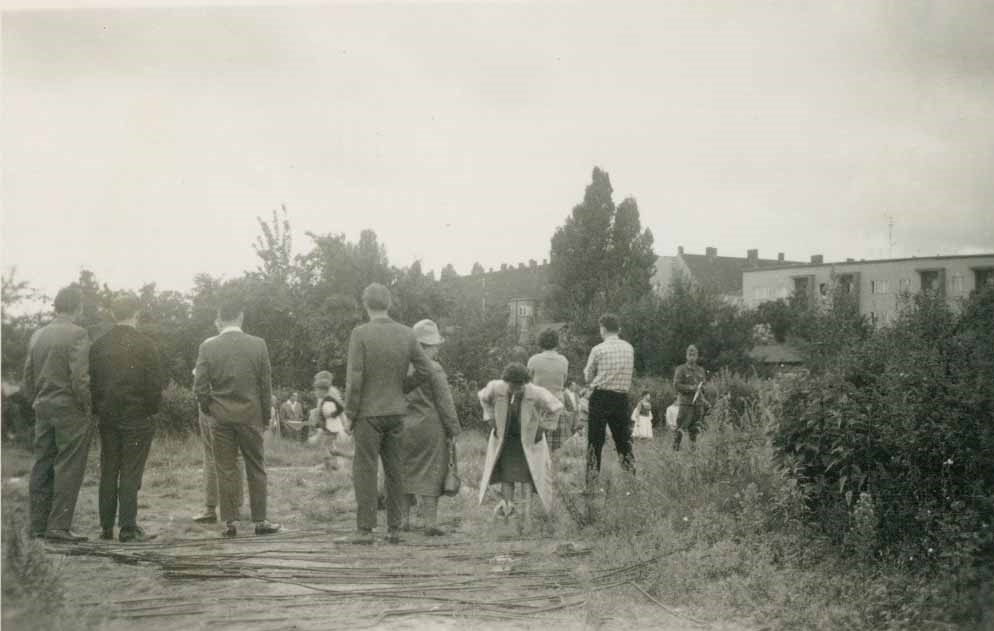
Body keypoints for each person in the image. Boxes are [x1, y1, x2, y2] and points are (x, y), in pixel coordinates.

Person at [342, 283, 433, 544]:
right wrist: (401, 388)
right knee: (395, 470)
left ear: (365, 304)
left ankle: (365, 529)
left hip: (368, 413)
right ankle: (394, 528)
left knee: (366, 468)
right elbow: (425, 370)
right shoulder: (406, 334)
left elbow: (355, 379)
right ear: (389, 304)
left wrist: (350, 412)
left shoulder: (360, 334)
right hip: (396, 411)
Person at [193, 297, 280, 538]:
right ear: (241, 316)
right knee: (256, 467)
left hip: (220, 418)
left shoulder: (207, 347)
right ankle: (260, 520)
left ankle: (229, 523)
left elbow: (199, 386)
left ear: (220, 318)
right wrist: (264, 417)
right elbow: (265, 385)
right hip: (250, 416)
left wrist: (209, 408)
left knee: (225, 469)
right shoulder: (258, 344)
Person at [89, 293, 163, 542]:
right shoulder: (146, 344)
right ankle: (128, 528)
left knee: (109, 469)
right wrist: (151, 410)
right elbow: (154, 385)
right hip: (138, 417)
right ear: (136, 313)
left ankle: (105, 527)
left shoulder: (98, 345)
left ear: (112, 314)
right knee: (131, 472)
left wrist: (99, 409)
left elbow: (94, 384)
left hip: (108, 416)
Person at [23, 287, 94, 542]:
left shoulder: (37, 335)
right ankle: (59, 527)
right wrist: (88, 407)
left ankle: (37, 526)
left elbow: (27, 377)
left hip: (43, 406)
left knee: (42, 463)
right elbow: (79, 378)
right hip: (69, 408)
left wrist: (37, 402)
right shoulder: (78, 333)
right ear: (77, 307)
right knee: (69, 466)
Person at [478, 363, 562, 530]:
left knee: (526, 477)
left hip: (529, 442)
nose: (516, 389)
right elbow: (483, 398)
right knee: (507, 477)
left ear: (526, 382)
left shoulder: (536, 392)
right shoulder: (495, 387)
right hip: (506, 441)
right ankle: (509, 517)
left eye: (520, 385)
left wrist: (544, 427)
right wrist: (490, 418)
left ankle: (527, 517)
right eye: (512, 385)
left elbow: (557, 407)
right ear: (506, 381)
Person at [399, 319, 461, 536]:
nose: (437, 350)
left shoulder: (401, 367)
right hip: (430, 427)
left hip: (403, 426)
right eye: (435, 346)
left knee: (404, 471)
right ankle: (430, 523)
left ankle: (403, 520)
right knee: (431, 473)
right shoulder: (434, 368)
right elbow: (445, 402)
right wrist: (454, 429)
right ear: (427, 346)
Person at [192, 322, 244, 525]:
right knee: (236, 457)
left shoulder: (209, 345)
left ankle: (210, 507)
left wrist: (205, 407)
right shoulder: (247, 347)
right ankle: (235, 505)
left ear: (219, 322)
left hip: (213, 406)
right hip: (237, 407)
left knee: (212, 457)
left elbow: (200, 382)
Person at [583, 313, 636, 485]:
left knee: (595, 442)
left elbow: (588, 375)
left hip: (601, 396)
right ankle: (630, 479)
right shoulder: (629, 348)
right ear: (618, 329)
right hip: (621, 397)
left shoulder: (598, 349)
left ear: (603, 329)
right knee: (623, 440)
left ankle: (591, 482)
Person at [526, 329, 569, 452]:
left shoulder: (533, 360)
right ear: (556, 342)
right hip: (557, 404)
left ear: (540, 342)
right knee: (555, 447)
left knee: (535, 444)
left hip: (537, 405)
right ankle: (553, 469)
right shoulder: (563, 361)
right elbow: (564, 380)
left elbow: (527, 382)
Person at [306, 370, 346, 470]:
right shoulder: (325, 391)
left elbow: (338, 409)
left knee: (325, 444)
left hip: (331, 423)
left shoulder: (329, 392)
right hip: (329, 422)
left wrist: (344, 424)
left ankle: (331, 464)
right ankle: (335, 464)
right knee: (329, 444)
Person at [672, 344, 707, 451]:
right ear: (686, 355)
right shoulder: (681, 369)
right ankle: (675, 451)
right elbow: (676, 385)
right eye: (690, 353)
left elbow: (704, 386)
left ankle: (693, 452)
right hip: (686, 404)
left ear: (697, 356)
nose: (692, 356)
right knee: (680, 429)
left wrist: (702, 389)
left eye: (694, 354)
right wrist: (691, 388)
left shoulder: (701, 370)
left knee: (695, 430)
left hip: (698, 404)